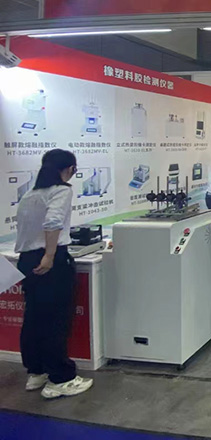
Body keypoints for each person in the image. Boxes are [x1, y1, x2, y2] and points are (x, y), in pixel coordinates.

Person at [15, 149, 93, 399]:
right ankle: (61, 378)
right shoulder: (61, 190)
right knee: (56, 320)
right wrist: (49, 256)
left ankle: (36, 371)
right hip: (51, 260)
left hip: (27, 259)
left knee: (34, 317)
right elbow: (53, 222)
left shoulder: (30, 194)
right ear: (70, 169)